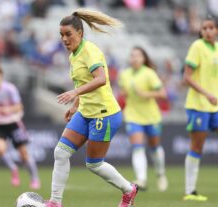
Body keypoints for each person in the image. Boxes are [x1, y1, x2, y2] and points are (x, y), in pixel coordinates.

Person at [46, 9, 138, 207]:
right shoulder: (73, 55)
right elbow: (83, 82)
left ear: (80, 32)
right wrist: (75, 105)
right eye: (61, 35)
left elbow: (101, 79)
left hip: (104, 115)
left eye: (68, 34)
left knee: (94, 164)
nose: (64, 39)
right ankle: (54, 202)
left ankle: (129, 190)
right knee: (60, 153)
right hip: (85, 112)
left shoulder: (90, 51)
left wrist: (74, 93)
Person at [0, 63, 40, 189]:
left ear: (0, 76)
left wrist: (8, 109)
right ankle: (13, 169)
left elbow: (19, 106)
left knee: (23, 154)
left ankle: (34, 178)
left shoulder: (9, 89)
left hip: (13, 123)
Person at [118, 47, 168, 191]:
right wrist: (123, 93)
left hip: (151, 116)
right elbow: (123, 93)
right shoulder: (124, 74)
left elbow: (163, 93)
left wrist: (146, 94)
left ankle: (160, 174)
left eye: (137, 56)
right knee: (137, 147)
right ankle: (141, 179)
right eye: (132, 55)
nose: (134, 58)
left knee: (155, 148)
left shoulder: (149, 73)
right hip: (133, 115)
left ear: (143, 58)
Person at [183, 15, 218, 201]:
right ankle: (190, 191)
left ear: (217, 30)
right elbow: (187, 77)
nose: (207, 31)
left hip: (215, 106)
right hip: (198, 106)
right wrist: (207, 94)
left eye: (211, 27)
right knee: (197, 145)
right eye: (204, 28)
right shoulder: (197, 47)